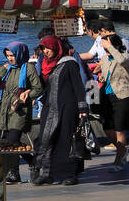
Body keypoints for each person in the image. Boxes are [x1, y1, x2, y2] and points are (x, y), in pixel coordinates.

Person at [31, 35, 89, 186]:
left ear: (56, 47)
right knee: (47, 139)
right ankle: (47, 173)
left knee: (66, 140)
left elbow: (78, 86)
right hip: (50, 107)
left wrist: (82, 108)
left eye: (48, 48)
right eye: (43, 48)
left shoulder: (69, 63)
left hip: (67, 108)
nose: (45, 51)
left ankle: (70, 174)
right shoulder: (46, 64)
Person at [0, 41, 42, 182]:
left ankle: (13, 172)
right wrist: (2, 69)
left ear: (20, 54)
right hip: (5, 110)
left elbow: (38, 88)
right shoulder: (8, 69)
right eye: (8, 56)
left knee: (13, 140)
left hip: (20, 110)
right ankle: (31, 161)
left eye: (13, 55)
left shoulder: (28, 68)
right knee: (10, 142)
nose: (10, 58)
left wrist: (25, 97)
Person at [96, 33, 129, 170]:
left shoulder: (125, 56)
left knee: (120, 129)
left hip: (122, 95)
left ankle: (119, 158)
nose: (106, 50)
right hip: (107, 96)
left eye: (108, 46)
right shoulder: (105, 59)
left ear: (117, 45)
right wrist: (101, 78)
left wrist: (111, 48)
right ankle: (122, 149)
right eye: (104, 47)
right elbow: (106, 75)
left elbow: (123, 62)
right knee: (107, 128)